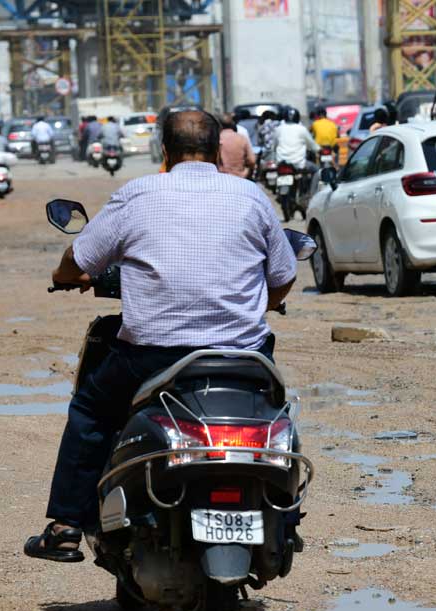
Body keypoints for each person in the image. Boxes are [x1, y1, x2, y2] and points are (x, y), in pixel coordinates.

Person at [24, 110, 297, 562]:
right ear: (215, 151)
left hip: (150, 357)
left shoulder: (139, 193)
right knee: (274, 416)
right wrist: (258, 304)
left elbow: (82, 255)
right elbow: (283, 274)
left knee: (91, 410)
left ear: (164, 152)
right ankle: (285, 515)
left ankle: (66, 524)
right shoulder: (250, 197)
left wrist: (65, 274)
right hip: (243, 358)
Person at [273, 108, 319, 180]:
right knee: (317, 171)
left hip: (281, 162)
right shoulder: (302, 129)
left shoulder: (279, 129)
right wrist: (318, 149)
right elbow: (312, 145)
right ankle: (312, 191)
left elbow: (274, 146)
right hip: (299, 163)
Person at [218, 113, 255, 179]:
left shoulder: (216, 139)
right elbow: (252, 161)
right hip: (240, 177)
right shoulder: (242, 138)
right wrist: (246, 172)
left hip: (222, 178)